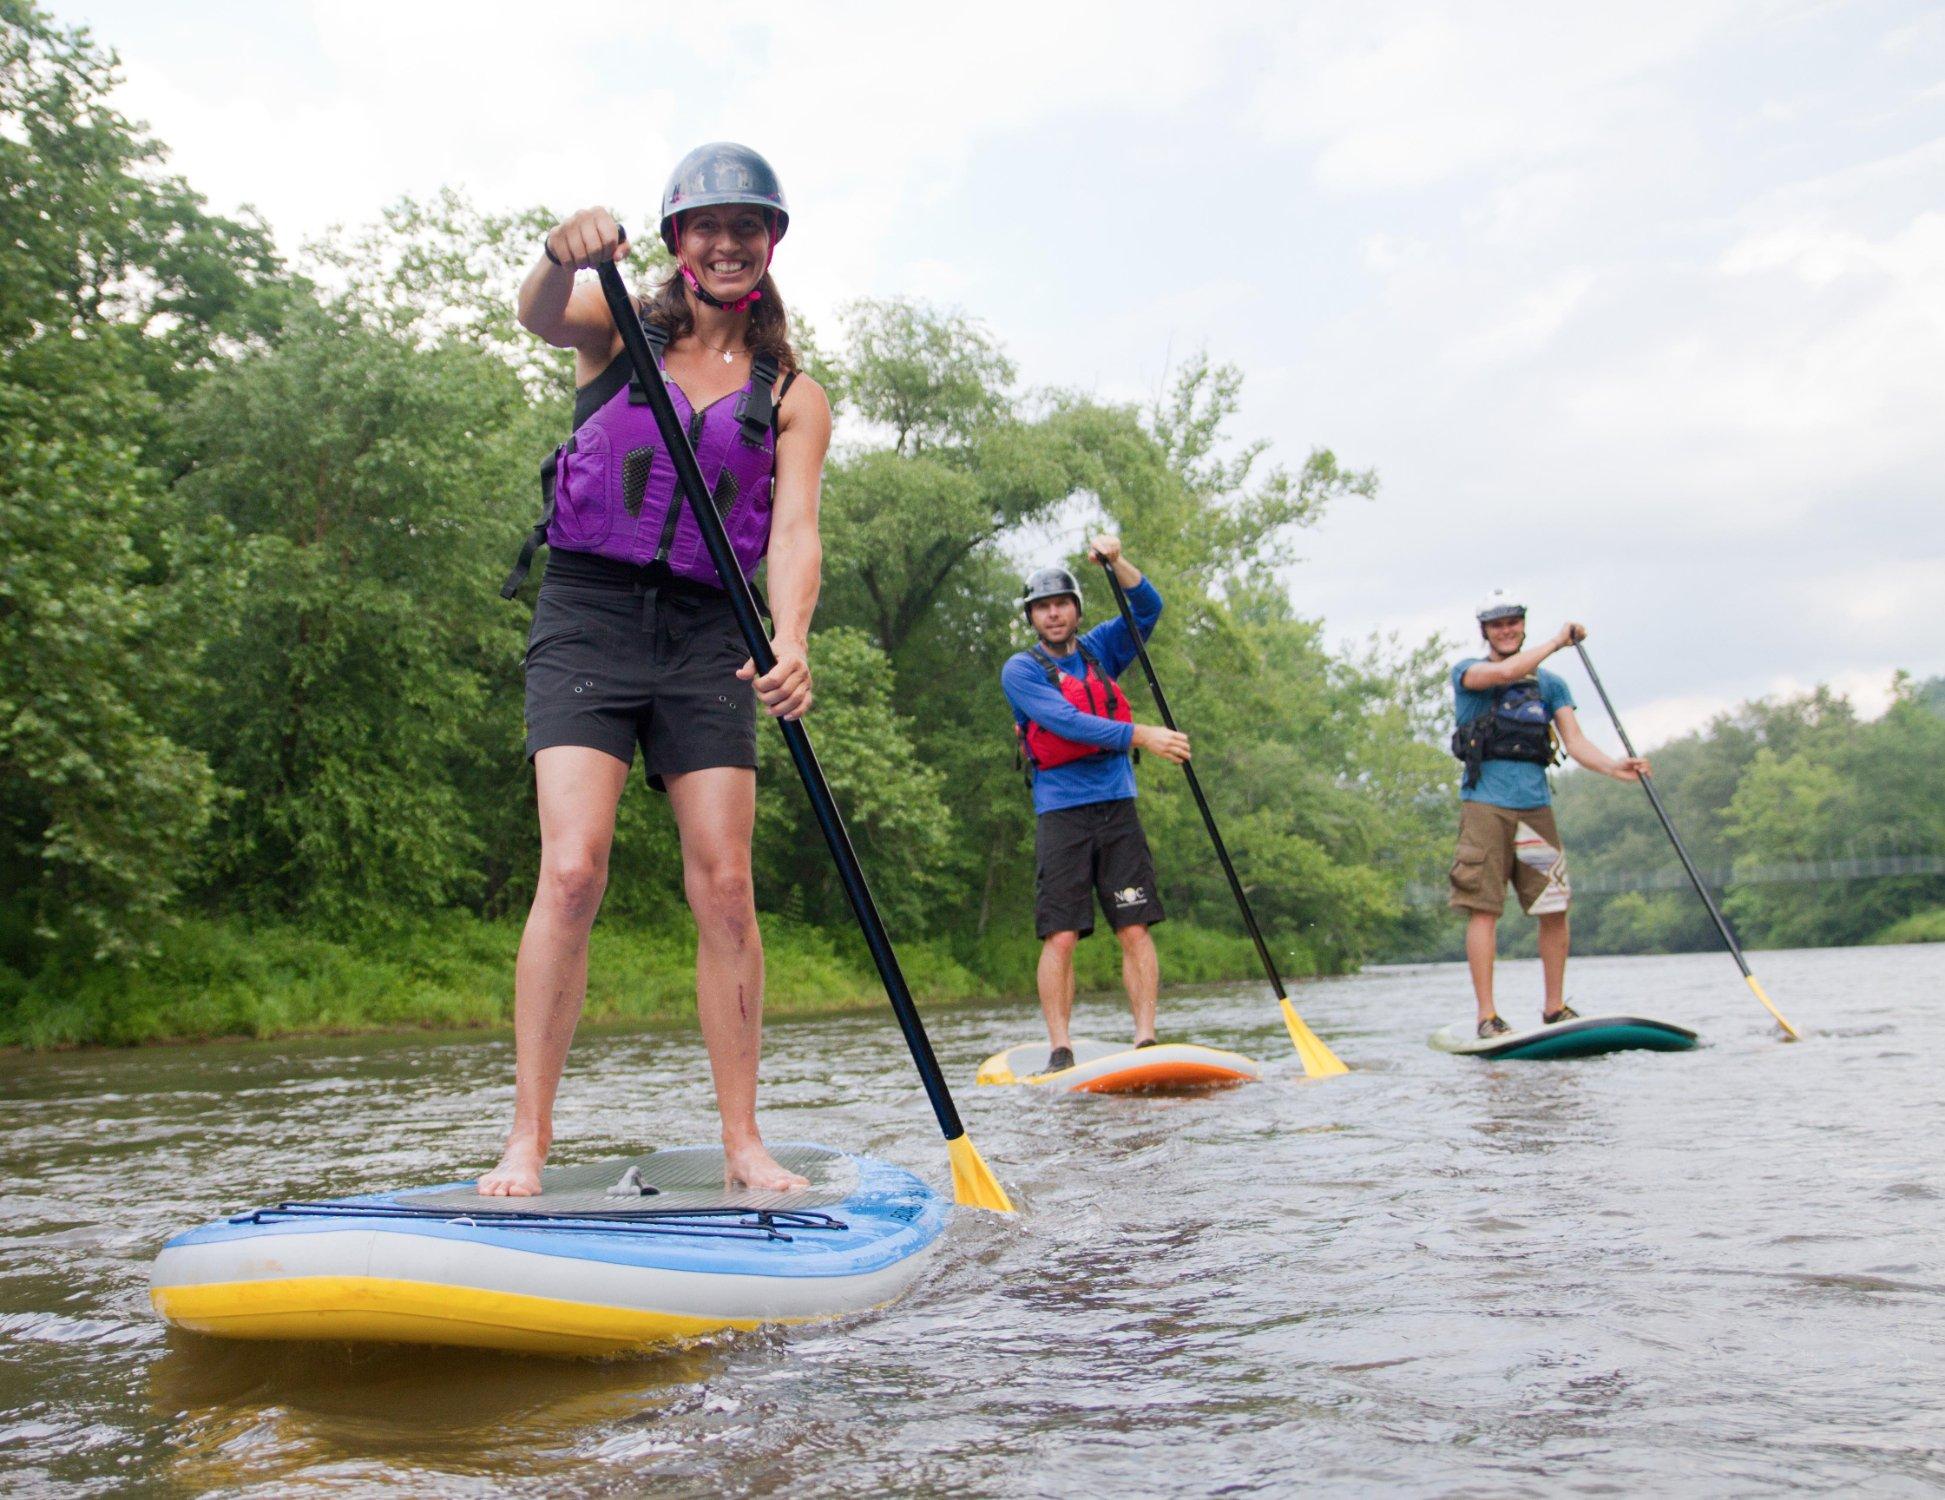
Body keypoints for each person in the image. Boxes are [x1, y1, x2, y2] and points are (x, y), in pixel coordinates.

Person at [483, 143, 832, 1195]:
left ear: (770, 246)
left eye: (748, 228)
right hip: (588, 611)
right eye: (707, 227)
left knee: (726, 886)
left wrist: (793, 638)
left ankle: (742, 1141)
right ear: (677, 240)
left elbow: (796, 533)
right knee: (574, 868)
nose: (727, 244)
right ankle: (527, 1138)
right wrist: (559, 250)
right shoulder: (616, 332)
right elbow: (539, 312)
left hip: (705, 635)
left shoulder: (794, 394)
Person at [1000, 538, 1190, 1072]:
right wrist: (1143, 735)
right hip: (1061, 812)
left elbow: (1149, 608)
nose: (1053, 613)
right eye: (1042, 606)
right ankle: (1060, 1047)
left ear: (1077, 609)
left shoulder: (1101, 649)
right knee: (1061, 934)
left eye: (1061, 603)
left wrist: (1117, 561)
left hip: (1116, 807)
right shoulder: (1021, 670)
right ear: (1032, 618)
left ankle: (1146, 1039)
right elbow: (1067, 722)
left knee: (1134, 926)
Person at [1449, 589, 1650, 1037]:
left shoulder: (1553, 684)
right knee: (1484, 909)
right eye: (1497, 625)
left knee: (1554, 906)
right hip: (1485, 806)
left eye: (1513, 622)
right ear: (1485, 631)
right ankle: (1487, 1016)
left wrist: (1616, 767)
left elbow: (1575, 742)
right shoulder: (1469, 671)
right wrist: (1558, 641)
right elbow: (1505, 672)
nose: (1506, 630)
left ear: (1522, 625)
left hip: (1535, 808)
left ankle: (1554, 1007)